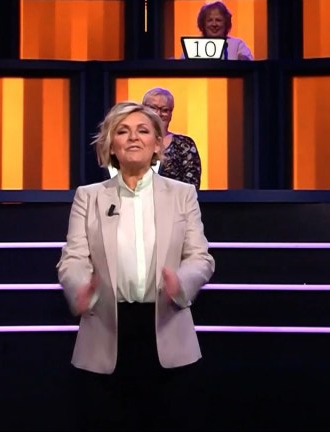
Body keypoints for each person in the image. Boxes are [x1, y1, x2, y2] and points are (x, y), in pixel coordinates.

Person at [57, 101, 214, 431]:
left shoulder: (182, 194)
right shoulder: (89, 196)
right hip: (105, 332)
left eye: (143, 131)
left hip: (167, 329)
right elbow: (73, 259)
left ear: (157, 144)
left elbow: (200, 257)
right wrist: (80, 288)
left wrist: (181, 283)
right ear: (111, 145)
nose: (133, 138)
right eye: (123, 131)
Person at [142, 88, 201, 188]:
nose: (158, 114)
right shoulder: (133, 141)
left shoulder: (184, 144)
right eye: (153, 108)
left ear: (171, 114)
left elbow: (191, 186)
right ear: (143, 110)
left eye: (165, 110)